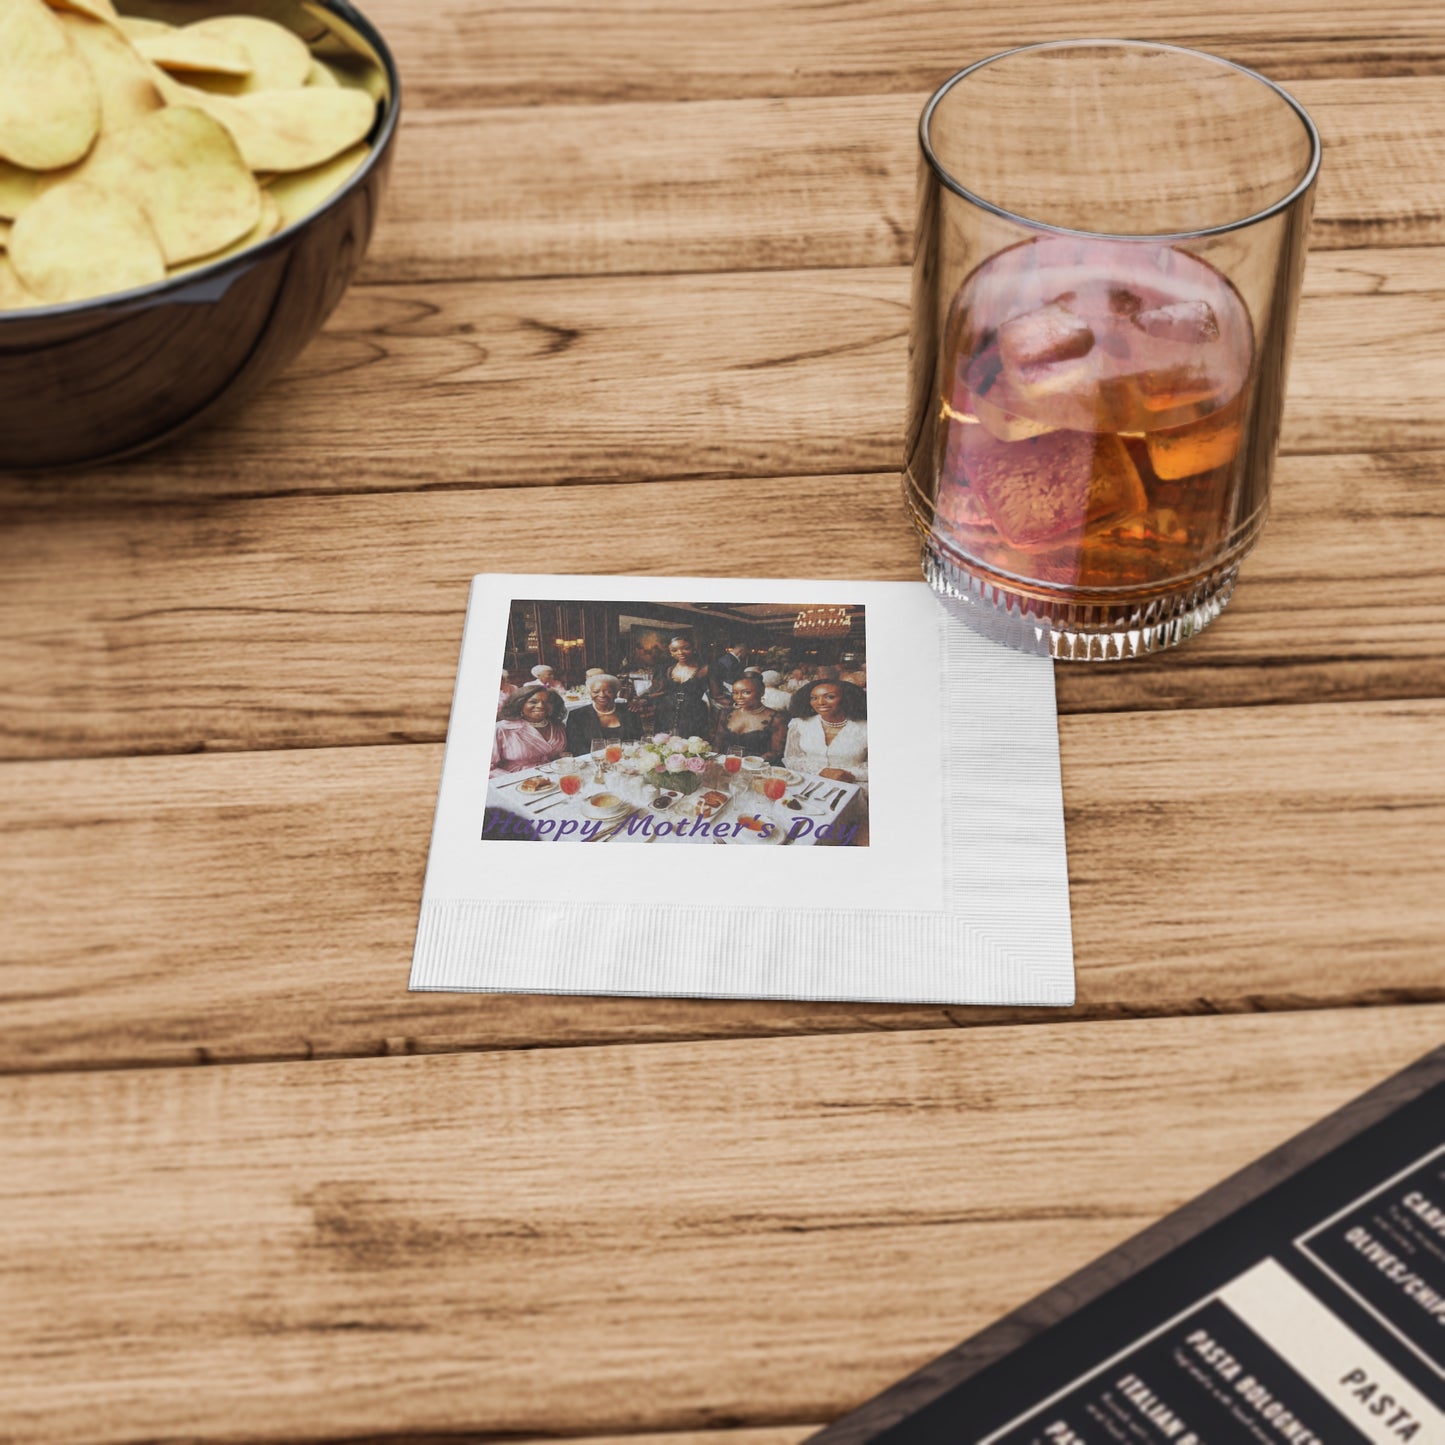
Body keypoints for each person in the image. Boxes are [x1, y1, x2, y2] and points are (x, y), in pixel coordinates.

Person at [784, 680, 868, 787]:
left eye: (829, 697)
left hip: (853, 787)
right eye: (814, 698)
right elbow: (792, 758)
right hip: (807, 783)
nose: (820, 702)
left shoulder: (866, 728)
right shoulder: (799, 724)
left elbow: (882, 767)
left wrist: (851, 774)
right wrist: (820, 771)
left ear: (846, 699)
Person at [491, 684, 568, 773]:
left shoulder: (558, 726)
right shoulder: (501, 729)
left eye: (547, 702)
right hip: (517, 782)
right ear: (520, 704)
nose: (541, 706)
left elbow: (561, 755)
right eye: (533, 702)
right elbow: (489, 769)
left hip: (554, 778)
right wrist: (513, 780)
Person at [713, 672, 786, 763]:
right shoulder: (726, 714)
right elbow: (717, 745)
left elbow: (776, 752)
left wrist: (750, 764)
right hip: (726, 765)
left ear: (761, 692)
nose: (739, 697)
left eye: (746, 692)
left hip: (756, 768)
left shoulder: (776, 718)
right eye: (735, 693)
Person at [565, 672, 643, 755]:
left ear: (616, 693)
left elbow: (638, 741)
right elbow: (575, 747)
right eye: (596, 691)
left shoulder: (629, 711)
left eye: (608, 691)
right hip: (593, 762)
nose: (602, 695)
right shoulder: (577, 716)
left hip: (626, 761)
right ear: (590, 694)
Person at [651, 634, 712, 738]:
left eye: (686, 648)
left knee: (691, 748)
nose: (680, 653)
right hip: (666, 713)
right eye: (674, 650)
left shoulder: (705, 669)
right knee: (664, 745)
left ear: (693, 649)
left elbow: (717, 696)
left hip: (694, 714)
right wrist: (643, 699)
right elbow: (660, 691)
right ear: (670, 653)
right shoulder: (667, 669)